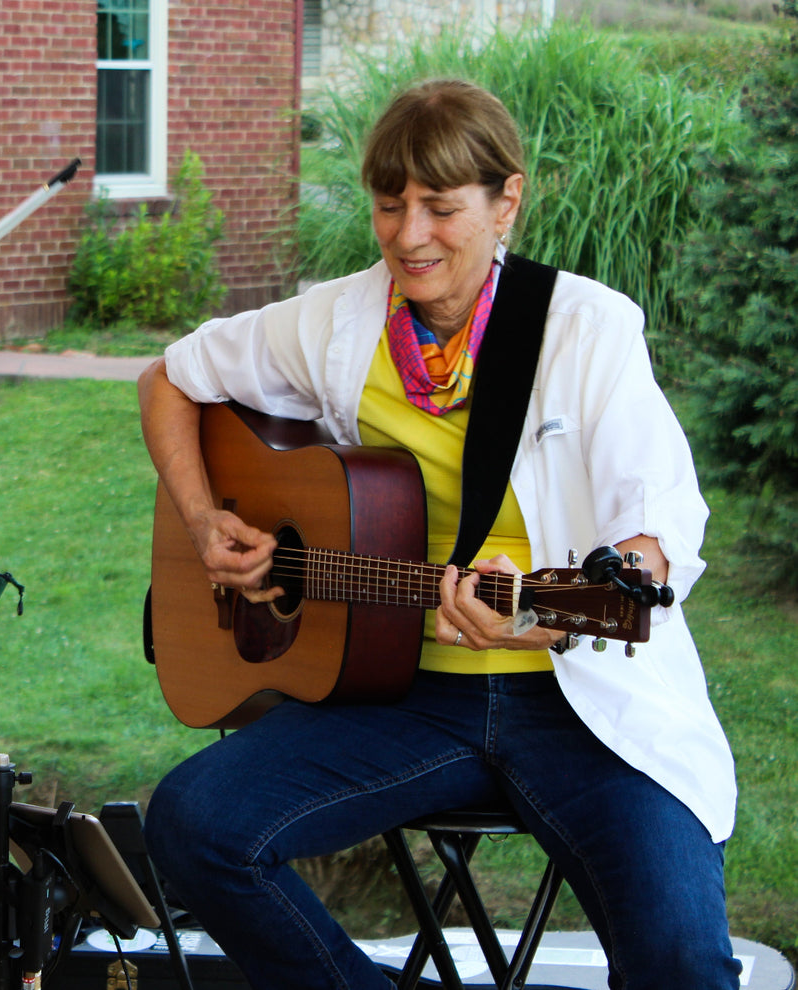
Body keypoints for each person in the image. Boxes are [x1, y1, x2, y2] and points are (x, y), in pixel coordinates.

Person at [138, 79, 740, 990]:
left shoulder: (587, 331)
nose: (409, 237)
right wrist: (202, 517)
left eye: (440, 208)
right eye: (390, 206)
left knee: (686, 965)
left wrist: (555, 615)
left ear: (508, 203)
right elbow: (172, 377)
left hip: (581, 709)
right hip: (403, 698)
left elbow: (658, 536)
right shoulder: (339, 321)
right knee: (193, 824)